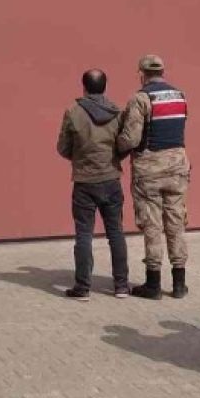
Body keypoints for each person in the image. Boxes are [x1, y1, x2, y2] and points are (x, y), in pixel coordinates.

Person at [117, 55, 191, 300]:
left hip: (149, 171)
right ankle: (179, 284)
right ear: (162, 71)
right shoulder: (180, 96)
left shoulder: (141, 99)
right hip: (178, 167)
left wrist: (116, 148)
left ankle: (153, 284)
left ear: (142, 74)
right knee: (176, 223)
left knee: (152, 226)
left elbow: (131, 138)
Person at [56, 69, 129, 301]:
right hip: (111, 179)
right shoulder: (117, 112)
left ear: (84, 87)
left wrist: (80, 159)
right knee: (116, 233)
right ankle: (121, 286)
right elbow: (124, 145)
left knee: (84, 235)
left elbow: (63, 148)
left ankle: (83, 288)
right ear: (105, 87)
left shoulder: (73, 112)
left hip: (84, 182)